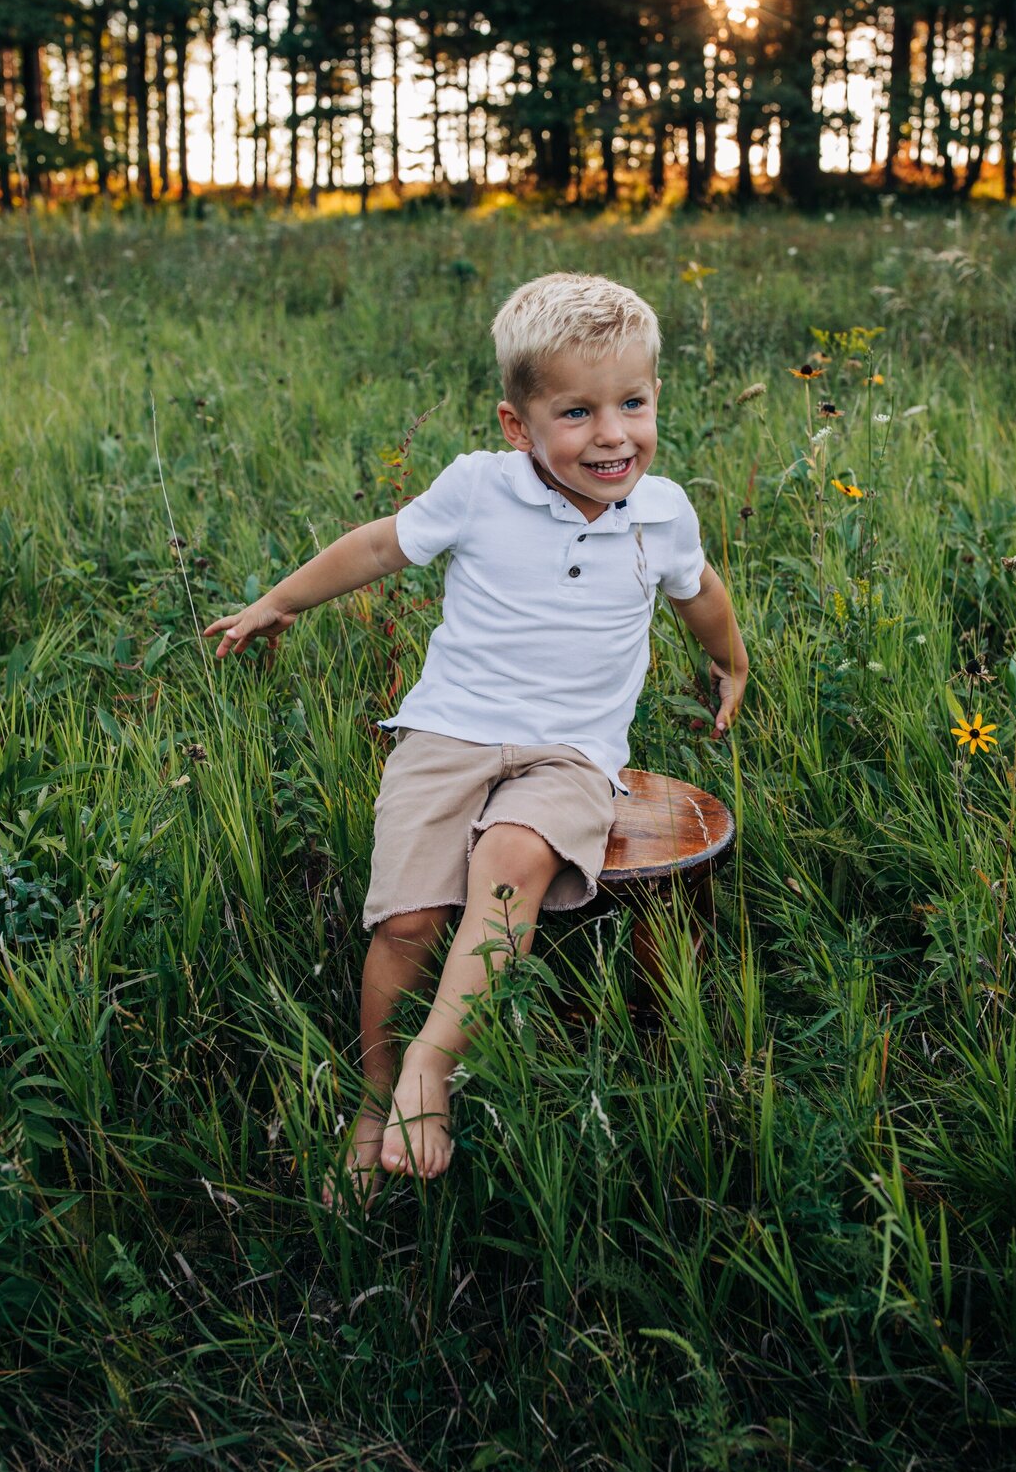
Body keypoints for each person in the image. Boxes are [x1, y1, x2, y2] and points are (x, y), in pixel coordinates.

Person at [204, 272, 749, 1207]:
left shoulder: (663, 513)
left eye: (633, 403)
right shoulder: (478, 490)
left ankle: (431, 1069)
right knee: (408, 921)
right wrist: (277, 602)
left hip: (572, 751)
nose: (613, 434)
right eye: (577, 412)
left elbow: (701, 596)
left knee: (515, 855)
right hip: (448, 732)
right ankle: (375, 1094)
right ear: (517, 424)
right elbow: (377, 547)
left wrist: (733, 665)